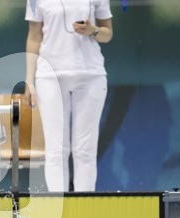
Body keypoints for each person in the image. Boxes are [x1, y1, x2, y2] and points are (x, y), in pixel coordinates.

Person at [24, 0, 113, 192]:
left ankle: (84, 204)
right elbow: (34, 36)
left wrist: (92, 30)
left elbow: (107, 34)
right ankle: (59, 205)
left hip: (90, 75)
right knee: (56, 150)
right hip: (50, 76)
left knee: (85, 150)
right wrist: (29, 81)